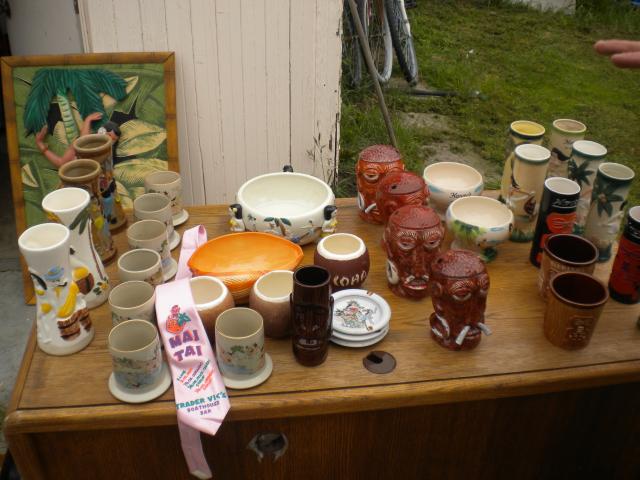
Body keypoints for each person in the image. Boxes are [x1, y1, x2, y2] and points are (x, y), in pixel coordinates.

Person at [34, 112, 117, 168]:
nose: (110, 140)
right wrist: (40, 144)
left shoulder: (107, 154)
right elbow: (61, 163)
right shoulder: (81, 145)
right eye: (109, 135)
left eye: (113, 139)